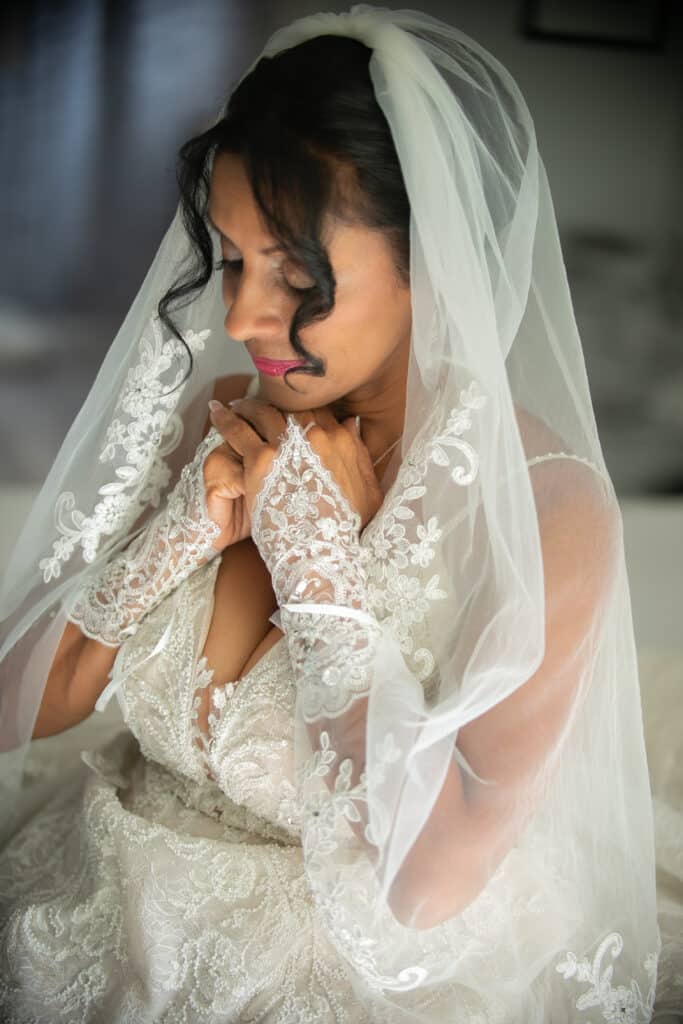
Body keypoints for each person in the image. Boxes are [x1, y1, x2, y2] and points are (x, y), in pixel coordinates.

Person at [0, 5, 668, 1021]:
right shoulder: (205, 426)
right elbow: (17, 713)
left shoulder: (546, 508)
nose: (239, 320)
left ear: (434, 258)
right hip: (92, 893)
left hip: (340, 968)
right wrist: (168, 544)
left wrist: (322, 588)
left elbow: (429, 883)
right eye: (230, 260)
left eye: (298, 277)